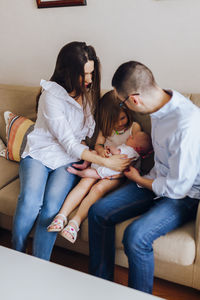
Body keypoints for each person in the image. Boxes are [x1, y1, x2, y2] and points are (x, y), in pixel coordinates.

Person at [88, 61, 200, 294]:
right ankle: (99, 287)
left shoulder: (186, 123)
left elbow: (178, 187)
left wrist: (139, 180)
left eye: (122, 102)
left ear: (134, 99)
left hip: (183, 195)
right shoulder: (159, 105)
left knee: (136, 236)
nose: (123, 107)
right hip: (155, 179)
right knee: (98, 212)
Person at [12, 42, 130, 261]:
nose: (90, 80)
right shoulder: (51, 95)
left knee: (51, 210)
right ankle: (17, 255)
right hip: (40, 154)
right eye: (84, 74)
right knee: (30, 201)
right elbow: (67, 140)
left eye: (92, 73)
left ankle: (39, 264)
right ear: (67, 72)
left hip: (68, 160)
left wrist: (93, 153)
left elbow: (83, 139)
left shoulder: (89, 95)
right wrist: (104, 163)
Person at [47, 90, 142, 243]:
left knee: (98, 189)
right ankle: (61, 216)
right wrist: (100, 150)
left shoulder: (134, 127)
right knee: (85, 183)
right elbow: (98, 144)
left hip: (118, 172)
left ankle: (75, 223)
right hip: (101, 163)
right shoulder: (107, 128)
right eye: (115, 121)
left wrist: (118, 165)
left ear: (127, 112)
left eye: (123, 118)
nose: (120, 123)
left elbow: (136, 150)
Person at [67, 130, 152, 179]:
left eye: (132, 138)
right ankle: (82, 168)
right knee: (91, 171)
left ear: (137, 148)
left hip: (107, 168)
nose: (129, 137)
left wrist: (110, 148)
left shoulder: (129, 150)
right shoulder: (135, 156)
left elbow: (117, 152)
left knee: (92, 157)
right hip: (108, 169)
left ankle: (79, 171)